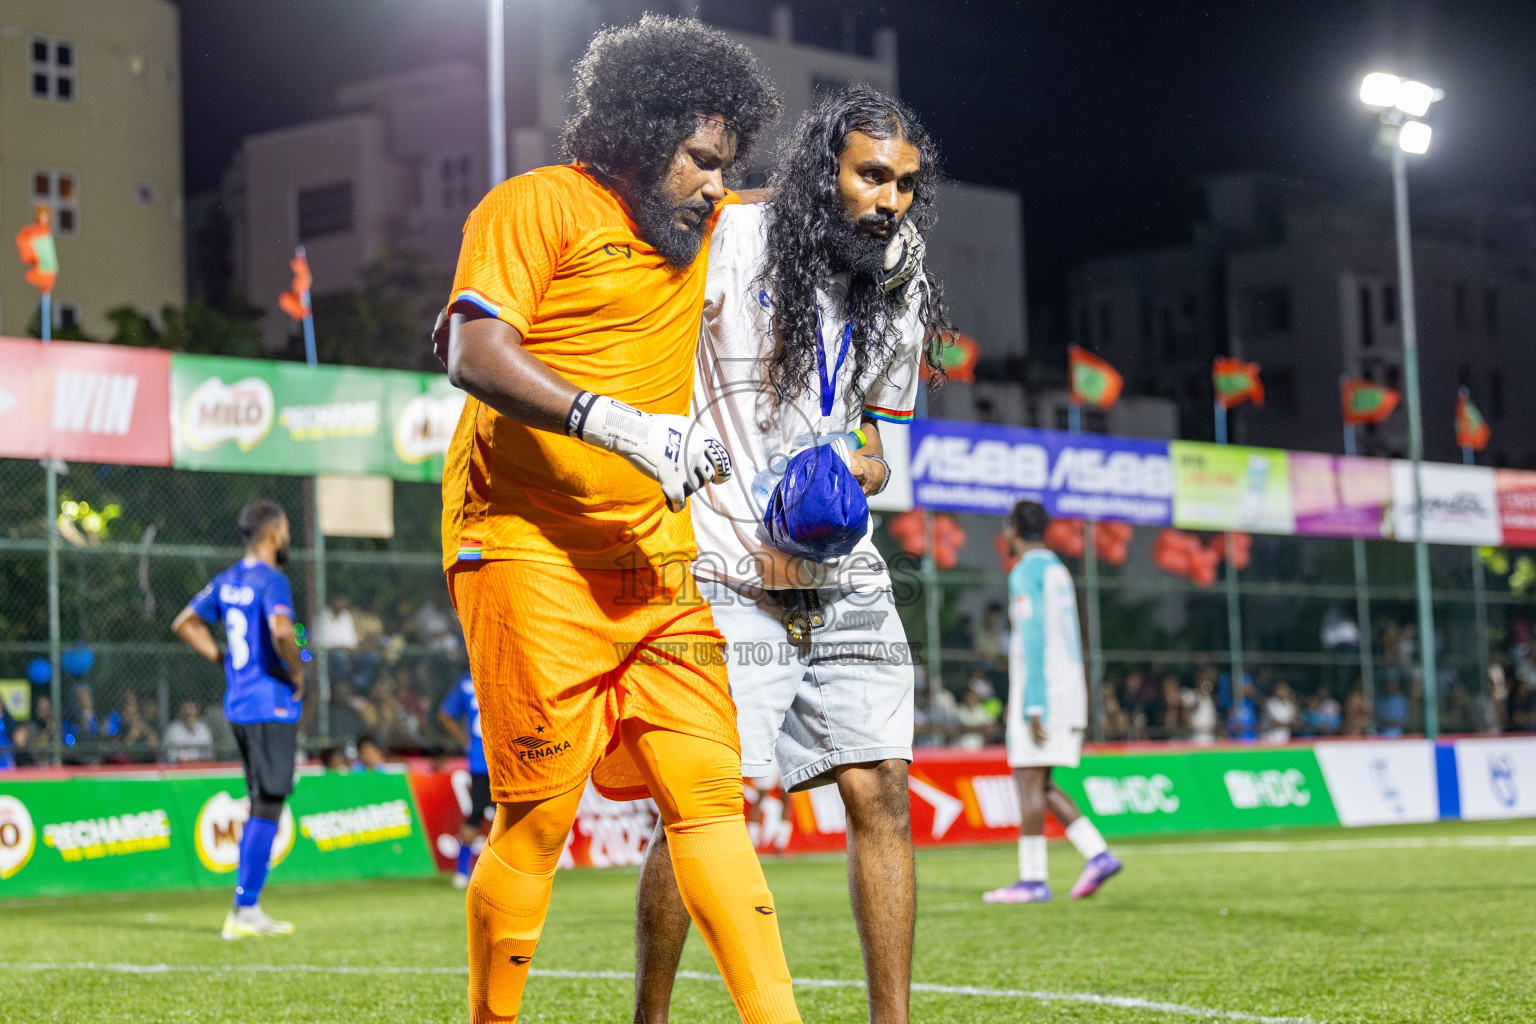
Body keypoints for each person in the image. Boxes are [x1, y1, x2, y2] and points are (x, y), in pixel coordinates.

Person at [433, 17, 792, 1024]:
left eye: (728, 165)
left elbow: (793, 205)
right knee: (538, 815)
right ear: (638, 133)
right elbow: (472, 352)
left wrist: (870, 198)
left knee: (711, 804)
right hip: (525, 541)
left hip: (651, 558)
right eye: (701, 159)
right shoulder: (533, 204)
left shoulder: (703, 218)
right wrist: (619, 425)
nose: (717, 183)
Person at [629, 85, 948, 1024]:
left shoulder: (899, 271)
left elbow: (881, 444)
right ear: (825, 168)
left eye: (904, 185)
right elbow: (651, 361)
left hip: (840, 569)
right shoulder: (725, 236)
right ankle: (650, 1017)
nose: (889, 200)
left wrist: (852, 465)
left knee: (881, 789)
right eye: (871, 176)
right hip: (728, 569)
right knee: (702, 805)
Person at [171, 499, 305, 941]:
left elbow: (185, 621)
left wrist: (222, 660)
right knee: (268, 801)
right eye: (284, 531)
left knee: (262, 801)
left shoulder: (227, 581)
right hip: (271, 701)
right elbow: (284, 631)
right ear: (272, 534)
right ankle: (245, 909)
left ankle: (247, 906)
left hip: (240, 702)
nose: (286, 539)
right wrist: (298, 672)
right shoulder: (273, 580)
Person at [984, 501, 1122, 904]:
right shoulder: (1058, 569)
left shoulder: (1025, 571)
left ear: (1012, 530)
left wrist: (1032, 702)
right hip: (1068, 684)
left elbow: (1033, 635)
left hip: (1044, 688)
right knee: (1041, 783)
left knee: (1027, 779)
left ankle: (1032, 880)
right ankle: (1097, 855)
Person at [437, 670, 490, 889]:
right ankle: (510, 870)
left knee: (475, 815)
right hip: (503, 758)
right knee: (510, 816)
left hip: (478, 759)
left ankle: (461, 872)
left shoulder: (467, 681)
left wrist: (467, 741)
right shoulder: (504, 673)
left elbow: (444, 714)